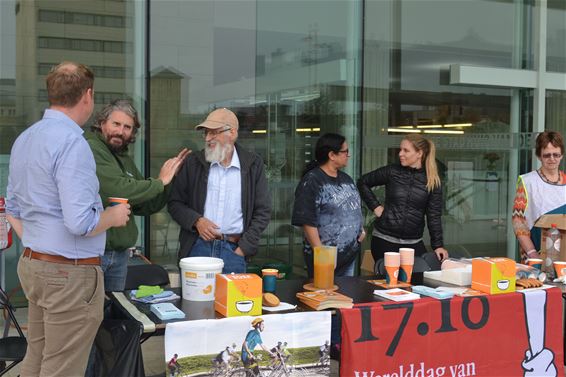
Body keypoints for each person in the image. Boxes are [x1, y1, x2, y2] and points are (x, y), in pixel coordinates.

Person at [5, 62, 130, 376]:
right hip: (68, 274)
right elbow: (81, 223)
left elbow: (12, 209)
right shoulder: (74, 144)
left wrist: (36, 242)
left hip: (34, 263)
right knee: (62, 368)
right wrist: (113, 216)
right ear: (87, 96)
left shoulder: (26, 139)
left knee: (38, 358)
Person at [85, 99, 189, 291]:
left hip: (120, 254)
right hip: (95, 254)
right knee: (93, 316)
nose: (121, 131)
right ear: (101, 124)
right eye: (116, 124)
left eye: (127, 127)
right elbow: (119, 189)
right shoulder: (92, 148)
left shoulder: (123, 158)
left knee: (116, 313)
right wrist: (159, 182)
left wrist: (168, 180)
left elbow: (144, 204)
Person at [168, 108, 271, 273]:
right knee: (195, 299)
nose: (208, 138)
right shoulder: (194, 162)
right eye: (206, 133)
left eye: (214, 133)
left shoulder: (252, 164)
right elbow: (175, 203)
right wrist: (196, 221)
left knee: (232, 300)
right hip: (197, 249)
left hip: (234, 250)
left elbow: (263, 211)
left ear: (232, 132)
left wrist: (243, 248)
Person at [357, 134, 448, 263]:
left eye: (406, 150)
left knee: (416, 280)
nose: (400, 153)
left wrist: (438, 246)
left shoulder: (432, 180)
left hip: (413, 243)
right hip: (384, 240)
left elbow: (434, 216)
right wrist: (376, 207)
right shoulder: (392, 171)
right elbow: (363, 182)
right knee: (390, 281)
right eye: (400, 149)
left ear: (419, 153)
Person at [292, 133, 365, 277]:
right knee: (325, 297)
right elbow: (307, 220)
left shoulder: (346, 178)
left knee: (345, 296)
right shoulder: (313, 181)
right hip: (325, 258)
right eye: (345, 151)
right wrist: (321, 254)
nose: (348, 155)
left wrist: (360, 230)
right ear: (332, 155)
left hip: (349, 254)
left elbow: (352, 207)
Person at [512, 131, 566, 262]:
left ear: (562, 155)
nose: (552, 159)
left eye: (556, 154)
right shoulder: (528, 181)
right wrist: (532, 253)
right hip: (536, 254)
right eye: (547, 155)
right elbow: (518, 221)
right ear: (539, 156)